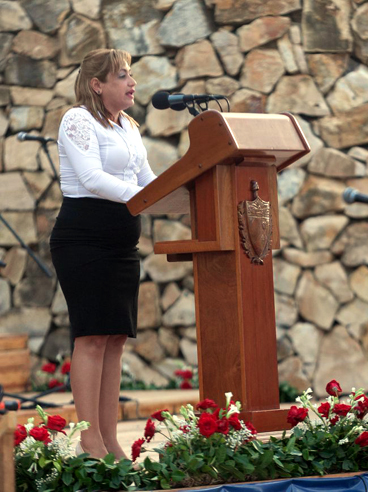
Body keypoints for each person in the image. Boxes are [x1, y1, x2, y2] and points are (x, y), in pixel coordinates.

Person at [49, 49, 157, 460]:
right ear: (98, 84)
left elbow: (146, 177)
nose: (132, 83)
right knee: (92, 337)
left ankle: (111, 439)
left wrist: (182, 196)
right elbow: (93, 178)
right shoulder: (77, 119)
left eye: (131, 76)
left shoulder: (129, 125)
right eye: (122, 76)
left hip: (121, 244)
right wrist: (146, 198)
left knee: (114, 339)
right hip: (84, 239)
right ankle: (90, 439)